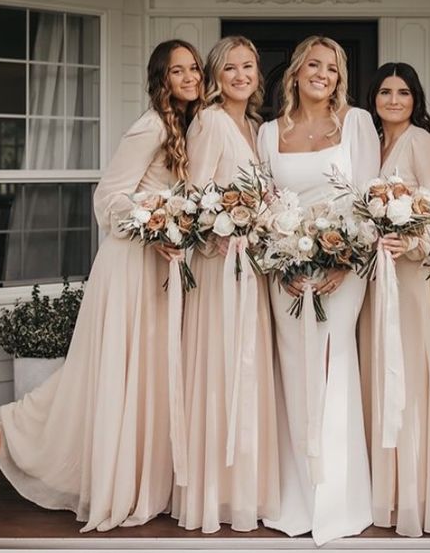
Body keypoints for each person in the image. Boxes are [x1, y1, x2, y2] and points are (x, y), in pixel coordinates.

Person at [0, 39, 204, 532]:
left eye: (194, 69)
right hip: (131, 264)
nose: (190, 77)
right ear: (161, 79)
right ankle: (17, 431)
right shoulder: (151, 125)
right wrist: (158, 227)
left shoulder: (188, 126)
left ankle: (149, 476)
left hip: (164, 263)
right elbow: (108, 199)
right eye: (179, 71)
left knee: (152, 371)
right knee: (121, 369)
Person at [257, 36, 379, 546]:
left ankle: (339, 499)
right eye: (314, 64)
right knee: (295, 370)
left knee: (332, 364)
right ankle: (297, 496)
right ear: (296, 71)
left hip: (344, 270)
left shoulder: (356, 124)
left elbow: (370, 199)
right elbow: (263, 207)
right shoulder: (268, 132)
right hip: (286, 269)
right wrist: (281, 258)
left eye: (332, 68)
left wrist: (348, 264)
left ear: (339, 77)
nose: (322, 74)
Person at [172, 36, 279, 534]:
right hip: (219, 271)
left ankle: (247, 491)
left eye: (249, 66)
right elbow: (191, 195)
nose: (241, 75)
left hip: (252, 269)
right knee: (221, 369)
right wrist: (216, 238)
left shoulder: (256, 127)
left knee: (250, 371)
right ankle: (214, 495)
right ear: (216, 76)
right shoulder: (210, 122)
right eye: (230, 67)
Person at [360, 62, 430, 536]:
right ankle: (380, 487)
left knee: (408, 374)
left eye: (403, 92)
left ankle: (412, 492)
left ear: (415, 99)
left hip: (412, 276)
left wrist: (411, 243)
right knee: (377, 371)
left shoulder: (421, 142)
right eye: (385, 92)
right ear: (373, 97)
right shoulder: (370, 142)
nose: (393, 100)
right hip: (374, 277)